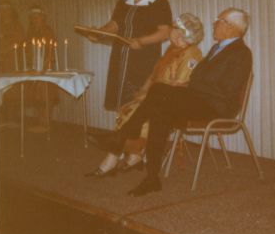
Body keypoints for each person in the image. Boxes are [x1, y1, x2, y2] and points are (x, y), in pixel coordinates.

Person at [97, 8, 252, 197]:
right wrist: (191, 84)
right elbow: (199, 77)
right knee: (159, 109)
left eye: (219, 20)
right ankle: (152, 177)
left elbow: (226, 90)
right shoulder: (217, 48)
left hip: (217, 107)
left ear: (232, 27)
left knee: (159, 91)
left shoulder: (242, 53)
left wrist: (193, 85)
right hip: (201, 100)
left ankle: (123, 135)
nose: (214, 23)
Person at [86, 13, 204, 178]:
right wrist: (142, 92)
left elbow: (178, 86)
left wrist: (148, 97)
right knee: (128, 108)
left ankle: (111, 160)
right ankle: (134, 156)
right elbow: (154, 75)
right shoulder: (172, 49)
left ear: (182, 33)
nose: (171, 30)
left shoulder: (192, 53)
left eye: (174, 28)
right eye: (173, 28)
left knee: (135, 114)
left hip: (173, 104)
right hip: (158, 98)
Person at [90, 0, 172, 112]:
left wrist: (141, 41)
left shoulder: (159, 2)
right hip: (120, 57)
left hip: (143, 58)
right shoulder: (124, 0)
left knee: (139, 103)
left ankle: (136, 128)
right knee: (120, 102)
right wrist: (100, 33)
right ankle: (121, 127)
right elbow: (115, 24)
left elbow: (165, 32)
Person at [25, 5, 58, 132]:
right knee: (37, 97)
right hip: (34, 67)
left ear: (43, 18)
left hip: (45, 67)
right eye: (32, 17)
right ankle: (40, 122)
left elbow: (50, 52)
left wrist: (44, 67)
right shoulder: (31, 32)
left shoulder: (47, 31)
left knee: (46, 96)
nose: (34, 19)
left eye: (37, 17)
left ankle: (46, 124)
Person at [0, 1, 25, 73]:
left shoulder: (17, 26)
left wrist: (3, 51)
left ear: (11, 12)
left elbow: (19, 42)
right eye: (2, 10)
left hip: (13, 60)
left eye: (7, 10)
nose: (5, 12)